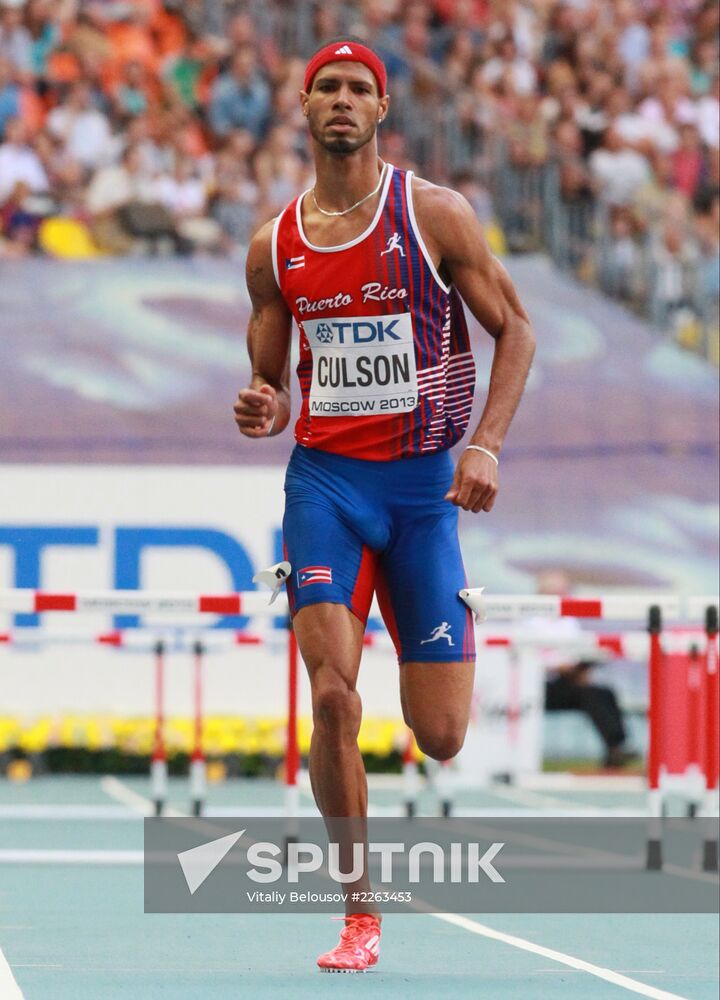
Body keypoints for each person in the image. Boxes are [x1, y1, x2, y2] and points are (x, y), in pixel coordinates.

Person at [233, 38, 535, 973]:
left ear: (380, 110)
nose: (341, 101)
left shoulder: (433, 214)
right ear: (303, 106)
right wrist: (263, 402)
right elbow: (269, 381)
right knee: (332, 699)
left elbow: (517, 328)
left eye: (359, 88)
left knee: (440, 737)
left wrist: (483, 444)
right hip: (325, 484)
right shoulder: (272, 247)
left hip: (421, 492)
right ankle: (360, 913)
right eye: (326, 86)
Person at [545, 659, 638, 769]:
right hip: (533, 684)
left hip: (563, 681)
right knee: (590, 693)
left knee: (603, 693)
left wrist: (577, 671)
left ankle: (616, 747)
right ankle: (615, 749)